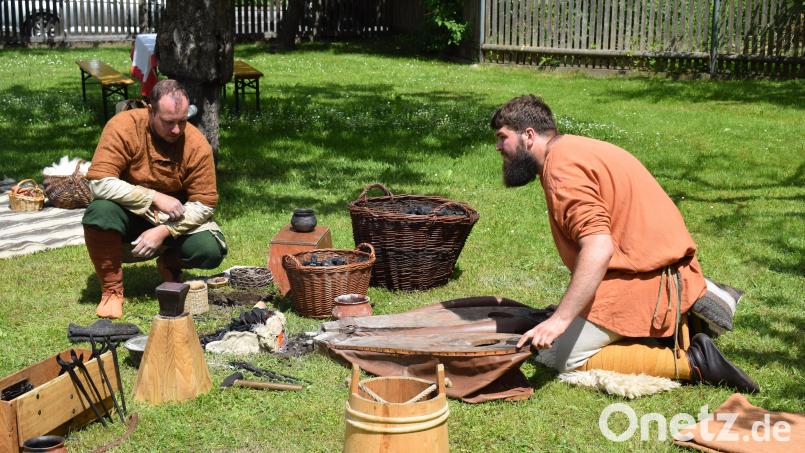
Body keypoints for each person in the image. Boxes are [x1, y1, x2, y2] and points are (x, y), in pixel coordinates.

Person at [490, 95, 758, 393]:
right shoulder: (575, 148)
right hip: (661, 269)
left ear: (528, 135)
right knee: (559, 331)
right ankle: (681, 315)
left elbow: (598, 247)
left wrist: (560, 320)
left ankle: (694, 361)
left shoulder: (562, 170)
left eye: (503, 138)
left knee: (559, 354)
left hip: (647, 283)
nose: (499, 147)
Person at [82, 79, 226, 319]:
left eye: (182, 121)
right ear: (150, 110)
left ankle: (170, 263)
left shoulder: (196, 144)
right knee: (99, 213)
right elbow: (99, 182)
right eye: (169, 122)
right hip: (128, 214)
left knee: (209, 249)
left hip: (173, 219)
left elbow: (204, 203)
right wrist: (153, 197)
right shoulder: (123, 127)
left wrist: (164, 231)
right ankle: (112, 291)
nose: (177, 130)